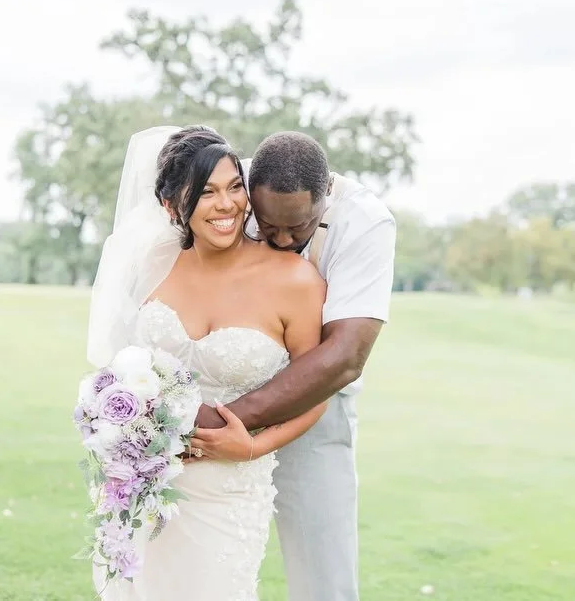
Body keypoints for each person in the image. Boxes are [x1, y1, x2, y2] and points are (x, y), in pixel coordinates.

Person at [85, 125, 328, 600]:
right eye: (206, 193)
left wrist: (254, 447)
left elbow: (316, 390)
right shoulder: (150, 268)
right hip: (144, 481)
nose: (227, 206)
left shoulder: (296, 281)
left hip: (231, 488)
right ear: (172, 206)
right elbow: (119, 369)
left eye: (234, 187)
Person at [194, 131, 397, 601]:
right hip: (217, 389)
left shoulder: (364, 220)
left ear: (325, 196)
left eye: (299, 228)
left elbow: (345, 357)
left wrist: (222, 423)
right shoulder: (229, 188)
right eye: (267, 224)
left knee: (323, 574)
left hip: (314, 405)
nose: (282, 239)